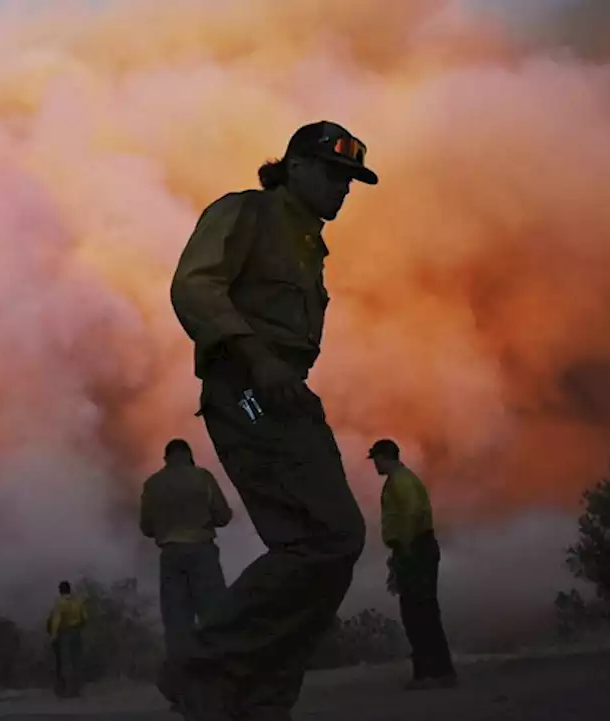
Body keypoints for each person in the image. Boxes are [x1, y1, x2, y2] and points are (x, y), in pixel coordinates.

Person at [165, 121, 376, 721]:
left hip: (281, 393)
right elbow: (194, 286)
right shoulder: (248, 213)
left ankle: (258, 695)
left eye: (351, 180)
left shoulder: (308, 241)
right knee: (335, 536)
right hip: (248, 392)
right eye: (335, 174)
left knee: (310, 545)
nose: (344, 188)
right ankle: (202, 667)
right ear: (297, 167)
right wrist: (257, 358)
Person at [368, 438, 457, 689]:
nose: (374, 464)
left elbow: (412, 513)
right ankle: (437, 671)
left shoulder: (400, 481)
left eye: (376, 458)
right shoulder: (403, 479)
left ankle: (431, 673)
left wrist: (404, 548)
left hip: (416, 549)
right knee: (421, 610)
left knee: (418, 612)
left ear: (385, 457)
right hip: (416, 548)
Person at [140, 438, 233, 660]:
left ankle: (183, 672)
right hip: (202, 551)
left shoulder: (152, 484)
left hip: (171, 554)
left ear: (166, 458)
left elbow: (146, 527)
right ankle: (219, 667)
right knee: (213, 613)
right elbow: (223, 516)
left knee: (177, 619)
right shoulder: (203, 477)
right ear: (189, 455)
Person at [47, 580, 88, 698]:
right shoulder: (77, 602)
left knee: (65, 662)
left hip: (64, 633)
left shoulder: (60, 602)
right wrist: (79, 629)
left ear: (60, 591)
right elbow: (85, 618)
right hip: (77, 632)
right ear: (69, 590)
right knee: (76, 661)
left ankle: (66, 690)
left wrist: (53, 636)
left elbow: (56, 620)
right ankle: (77, 690)